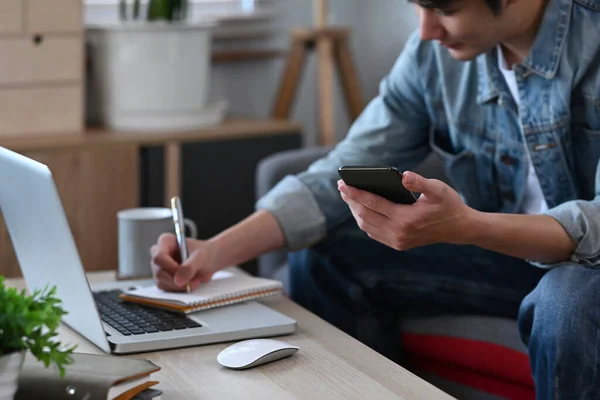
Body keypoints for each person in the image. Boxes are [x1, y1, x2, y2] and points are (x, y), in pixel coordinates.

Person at [151, 0, 600, 397]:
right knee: (325, 256)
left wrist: (467, 225)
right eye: (418, 7)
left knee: (568, 302)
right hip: (505, 257)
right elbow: (340, 167)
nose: (426, 30)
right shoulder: (434, 57)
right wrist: (212, 254)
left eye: (445, 9)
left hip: (586, 273)